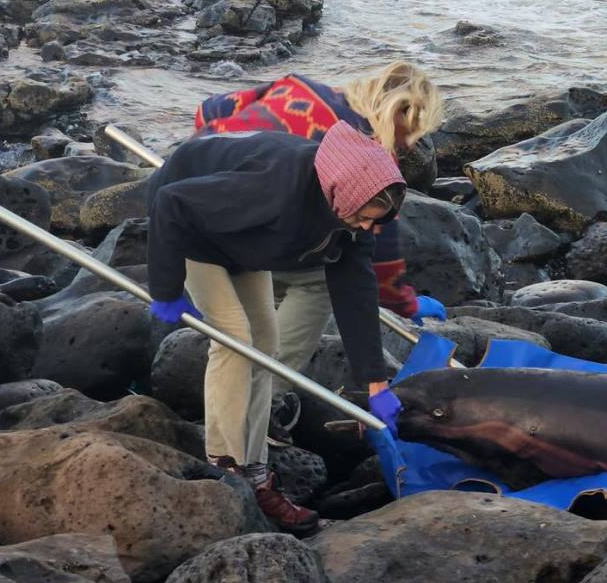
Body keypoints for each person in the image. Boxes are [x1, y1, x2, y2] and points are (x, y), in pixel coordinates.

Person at [147, 122, 407, 535]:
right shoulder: (276, 189)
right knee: (235, 340)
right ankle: (224, 468)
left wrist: (375, 382)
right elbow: (171, 202)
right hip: (192, 230)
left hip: (244, 242)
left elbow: (356, 294)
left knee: (265, 344)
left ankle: (255, 472)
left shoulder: (356, 218)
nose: (365, 228)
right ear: (343, 194)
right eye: (362, 218)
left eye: (375, 222)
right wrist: (165, 286)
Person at [193, 63, 446, 443]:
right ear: (398, 111)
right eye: (410, 132)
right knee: (319, 278)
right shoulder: (362, 151)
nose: (409, 144)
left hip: (203, 190)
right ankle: (265, 396)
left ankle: (248, 358)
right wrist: (405, 304)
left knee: (290, 259)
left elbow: (210, 110)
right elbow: (372, 251)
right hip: (231, 233)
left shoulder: (299, 87)